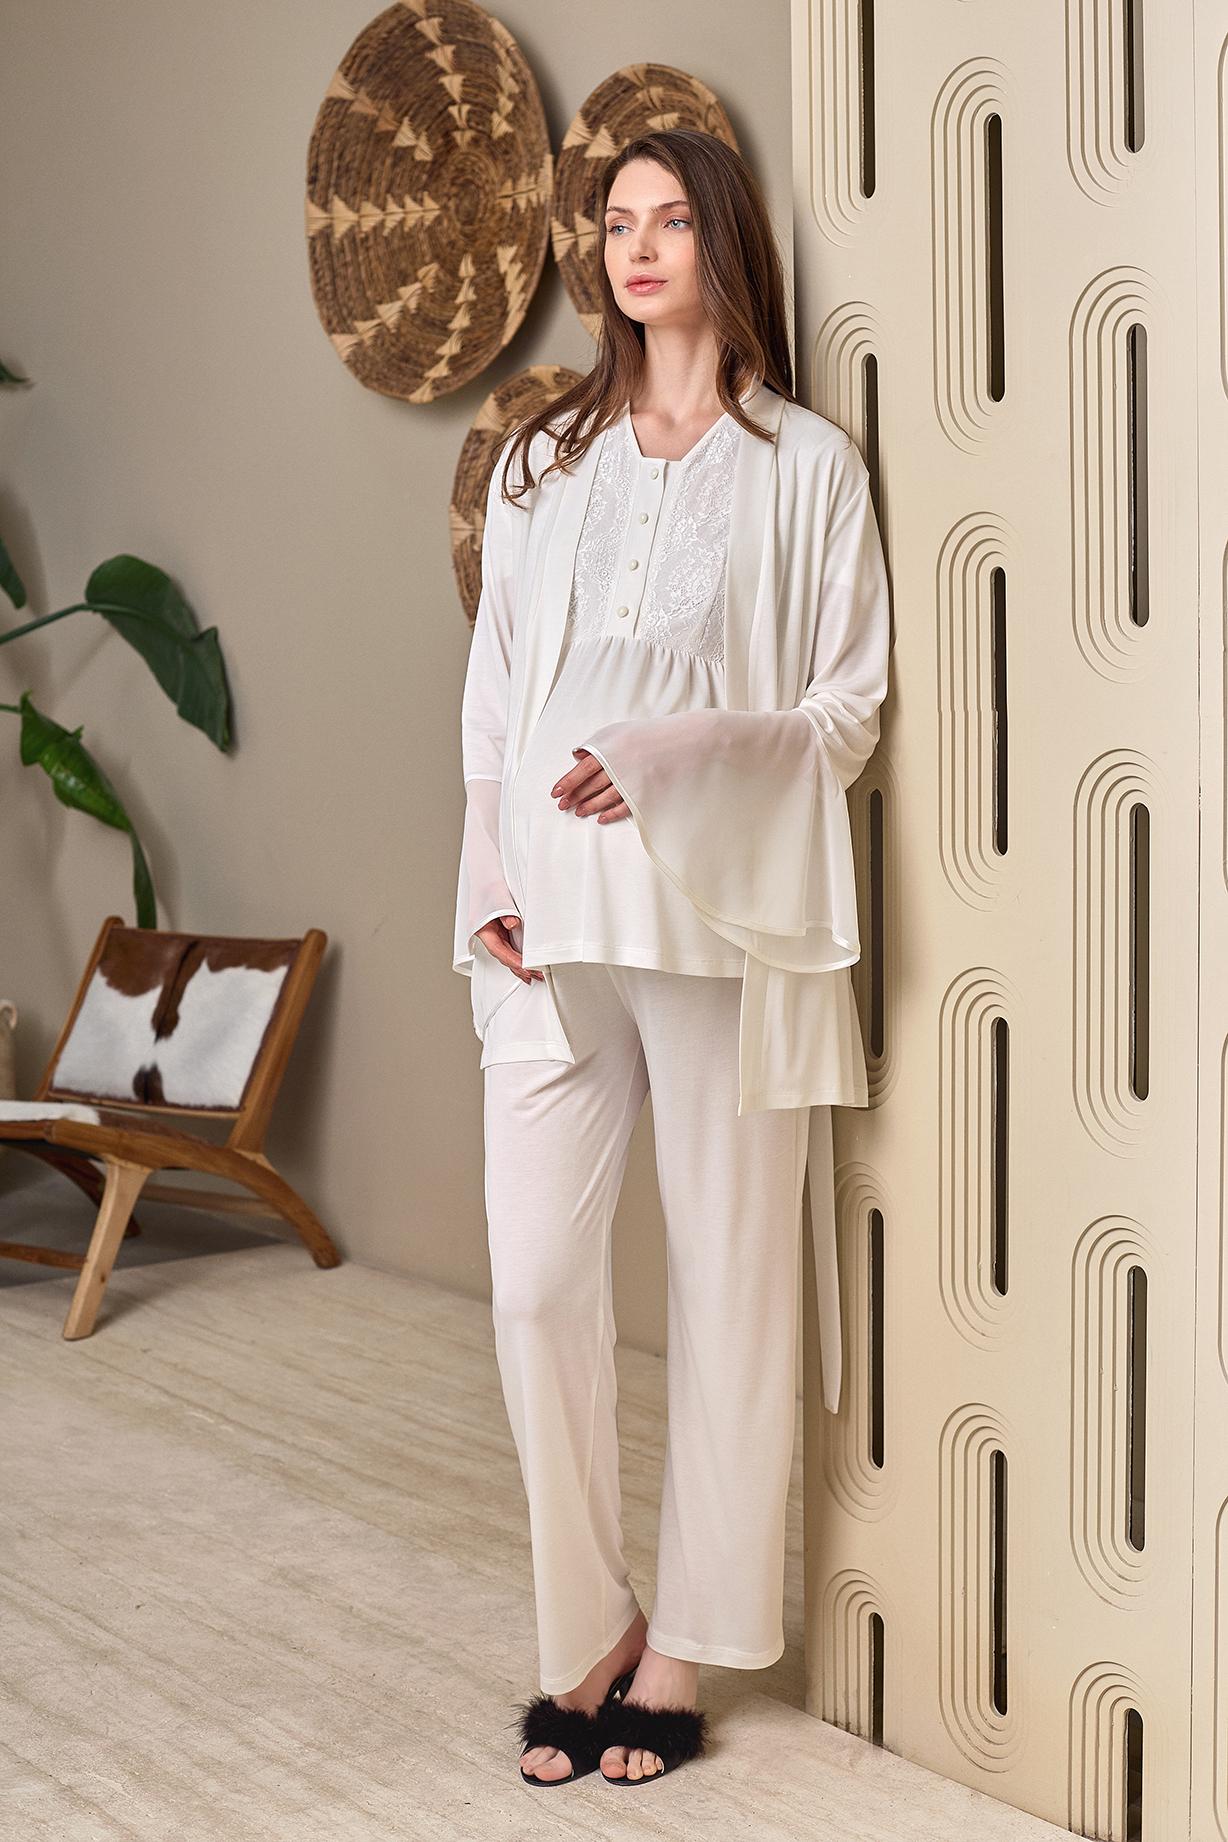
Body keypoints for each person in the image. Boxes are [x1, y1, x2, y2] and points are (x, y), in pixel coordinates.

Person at [452, 127, 891, 1787]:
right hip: (546, 923)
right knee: (534, 1281)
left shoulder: (805, 467)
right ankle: (585, 1625)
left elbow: (844, 713)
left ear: (724, 241)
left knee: (729, 1282)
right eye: (617, 222)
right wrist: (486, 872)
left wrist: (672, 755)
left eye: (671, 219)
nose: (637, 247)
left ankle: (688, 1641)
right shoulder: (540, 461)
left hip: (719, 921)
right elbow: (495, 695)